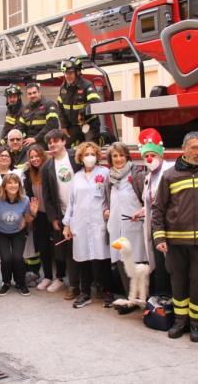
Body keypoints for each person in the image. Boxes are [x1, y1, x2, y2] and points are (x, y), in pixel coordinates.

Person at [152, 131, 198, 342]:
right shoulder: (170, 175)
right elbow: (158, 209)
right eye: (194, 147)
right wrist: (160, 238)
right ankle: (181, 321)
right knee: (179, 282)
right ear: (184, 149)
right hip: (176, 242)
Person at [62, 142, 113, 308]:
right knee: (82, 259)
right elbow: (71, 202)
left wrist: (110, 210)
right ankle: (85, 293)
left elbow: (111, 196)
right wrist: (67, 224)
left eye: (92, 154)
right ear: (80, 158)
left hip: (99, 223)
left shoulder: (105, 173)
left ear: (97, 156)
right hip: (80, 224)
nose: (89, 157)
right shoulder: (77, 177)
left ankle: (107, 291)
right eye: (86, 154)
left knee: (102, 259)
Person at [0, 173, 38, 296]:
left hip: (18, 232)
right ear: (4, 186)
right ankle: (6, 282)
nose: (13, 185)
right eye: (9, 183)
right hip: (1, 232)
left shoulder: (24, 200)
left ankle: (20, 283)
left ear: (19, 185)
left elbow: (28, 219)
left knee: (17, 258)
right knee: (6, 258)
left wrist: (33, 213)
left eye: (15, 182)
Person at [41, 129, 82, 298]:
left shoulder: (76, 158)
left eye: (56, 140)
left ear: (64, 141)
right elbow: (47, 196)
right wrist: (53, 218)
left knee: (88, 249)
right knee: (69, 252)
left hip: (82, 212)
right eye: (50, 142)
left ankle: (97, 285)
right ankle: (74, 286)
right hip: (63, 215)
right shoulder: (47, 167)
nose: (52, 144)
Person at [104, 142, 146, 296]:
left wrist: (142, 211)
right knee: (121, 261)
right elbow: (106, 200)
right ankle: (130, 296)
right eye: (115, 156)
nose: (118, 159)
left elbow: (145, 201)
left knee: (136, 262)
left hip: (133, 226)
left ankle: (141, 295)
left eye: (121, 155)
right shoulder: (109, 177)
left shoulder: (136, 175)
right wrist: (106, 210)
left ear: (127, 156)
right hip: (116, 225)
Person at [138, 128, 171, 297]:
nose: (150, 159)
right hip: (155, 228)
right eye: (146, 156)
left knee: (171, 266)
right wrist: (142, 210)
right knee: (159, 265)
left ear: (161, 155)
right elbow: (151, 201)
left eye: (153, 155)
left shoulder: (170, 172)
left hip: (169, 228)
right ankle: (162, 298)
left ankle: (172, 299)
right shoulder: (148, 177)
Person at [23, 144, 59, 290]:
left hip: (53, 214)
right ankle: (48, 276)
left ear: (42, 156)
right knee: (43, 247)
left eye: (37, 156)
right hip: (40, 216)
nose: (35, 159)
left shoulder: (51, 170)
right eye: (32, 157)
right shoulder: (28, 174)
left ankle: (60, 277)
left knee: (57, 246)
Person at [57, 57, 101, 146]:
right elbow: (61, 108)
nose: (67, 76)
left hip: (89, 123)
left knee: (90, 147)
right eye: (65, 73)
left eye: (70, 73)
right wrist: (64, 126)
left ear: (78, 72)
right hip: (73, 126)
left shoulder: (87, 85)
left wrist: (82, 112)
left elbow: (95, 101)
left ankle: (104, 138)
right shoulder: (63, 88)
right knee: (63, 145)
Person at [19, 83, 60, 148]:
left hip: (46, 140)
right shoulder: (25, 109)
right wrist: (19, 139)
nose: (32, 95)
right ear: (27, 95)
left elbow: (52, 125)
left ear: (39, 92)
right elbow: (21, 128)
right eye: (29, 94)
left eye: (34, 92)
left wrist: (35, 139)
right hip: (29, 142)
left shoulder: (49, 104)